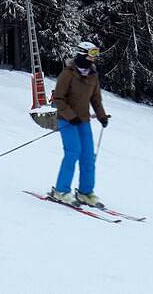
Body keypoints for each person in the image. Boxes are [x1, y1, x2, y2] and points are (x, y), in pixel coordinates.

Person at [50, 41, 110, 207]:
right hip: (67, 120)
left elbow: (95, 99)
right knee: (73, 153)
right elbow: (58, 98)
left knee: (88, 157)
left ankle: (85, 192)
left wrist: (102, 116)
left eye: (95, 54)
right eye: (92, 54)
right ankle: (61, 191)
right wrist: (70, 116)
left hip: (83, 121)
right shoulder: (67, 75)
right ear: (82, 54)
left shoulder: (92, 75)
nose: (94, 58)